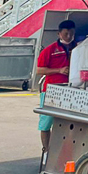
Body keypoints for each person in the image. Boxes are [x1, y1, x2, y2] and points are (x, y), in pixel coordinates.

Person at [36, 20, 77, 154]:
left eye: (71, 33)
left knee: (67, 123)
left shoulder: (77, 49)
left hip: (70, 90)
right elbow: (40, 70)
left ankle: (63, 151)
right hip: (51, 91)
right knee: (46, 123)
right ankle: (46, 150)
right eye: (66, 34)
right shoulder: (49, 50)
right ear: (59, 34)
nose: (69, 37)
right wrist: (59, 70)